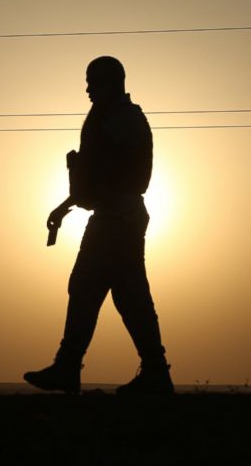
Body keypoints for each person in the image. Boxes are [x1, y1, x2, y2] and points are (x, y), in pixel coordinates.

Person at [25, 56, 173, 395]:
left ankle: (69, 367)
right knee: (128, 296)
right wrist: (65, 206)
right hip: (115, 215)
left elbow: (110, 173)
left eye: (94, 82)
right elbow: (95, 177)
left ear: (112, 82)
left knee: (88, 287)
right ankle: (154, 373)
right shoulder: (112, 118)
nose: (88, 89)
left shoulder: (123, 121)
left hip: (118, 218)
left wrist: (79, 194)